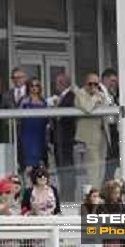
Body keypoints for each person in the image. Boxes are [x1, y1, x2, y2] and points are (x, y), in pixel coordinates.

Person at [75, 73, 109, 190]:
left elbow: (107, 105)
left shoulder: (100, 94)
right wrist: (95, 99)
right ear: (85, 84)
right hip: (89, 136)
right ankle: (93, 193)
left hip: (102, 133)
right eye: (90, 84)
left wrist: (99, 97)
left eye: (96, 84)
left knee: (102, 165)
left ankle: (98, 190)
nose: (93, 87)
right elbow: (87, 108)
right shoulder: (80, 93)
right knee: (92, 167)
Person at [48, 72, 76, 202]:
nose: (55, 85)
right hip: (59, 139)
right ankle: (65, 193)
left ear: (63, 83)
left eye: (57, 82)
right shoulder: (61, 97)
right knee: (61, 168)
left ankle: (68, 195)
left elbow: (64, 117)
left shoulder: (70, 96)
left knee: (67, 168)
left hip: (65, 139)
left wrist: (55, 109)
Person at [19, 78, 49, 180]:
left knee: (40, 166)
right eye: (32, 86)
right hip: (28, 135)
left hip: (40, 134)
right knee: (28, 165)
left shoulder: (43, 101)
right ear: (28, 87)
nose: (34, 88)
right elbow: (18, 116)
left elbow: (47, 119)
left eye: (37, 86)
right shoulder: (24, 101)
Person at [101, 69, 120, 183]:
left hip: (113, 128)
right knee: (108, 159)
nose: (114, 84)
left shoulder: (111, 93)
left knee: (113, 159)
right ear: (105, 79)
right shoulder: (100, 91)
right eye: (112, 80)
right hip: (104, 128)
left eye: (115, 81)